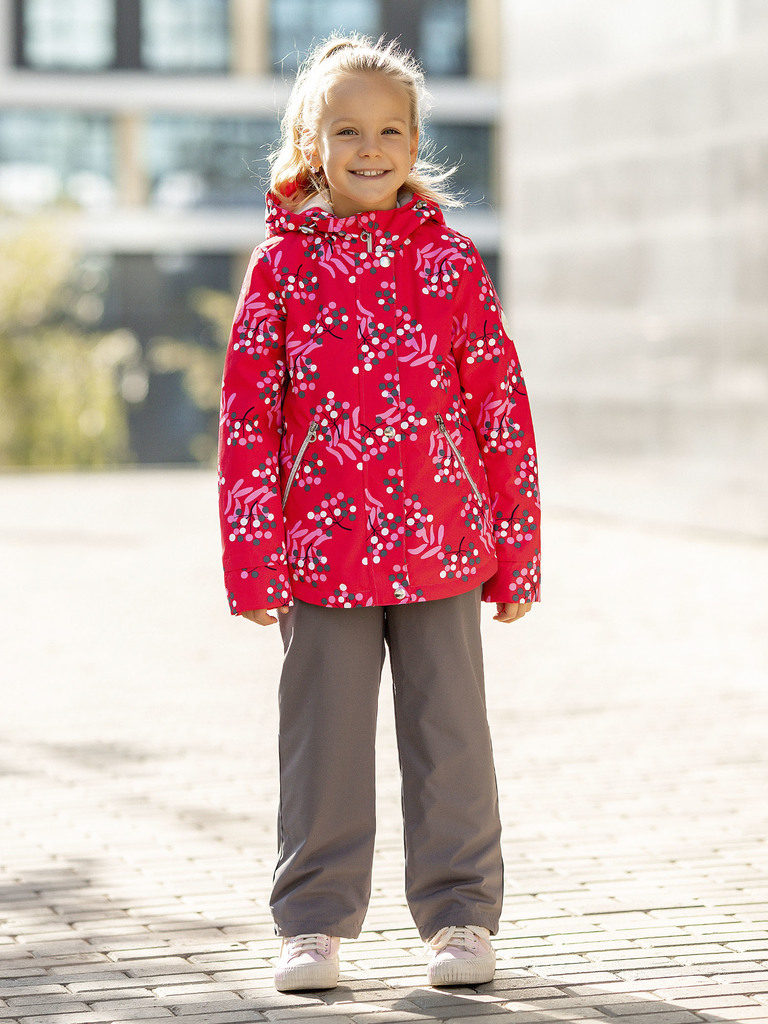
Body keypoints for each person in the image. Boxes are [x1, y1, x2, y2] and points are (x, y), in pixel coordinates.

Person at [217, 33, 541, 992]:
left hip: (444, 544)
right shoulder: (280, 268)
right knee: (322, 743)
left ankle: (461, 919)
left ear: (414, 142)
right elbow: (248, 421)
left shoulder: (451, 262)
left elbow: (499, 408)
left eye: (390, 130)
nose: (371, 148)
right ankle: (313, 925)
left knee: (451, 738)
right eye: (348, 131)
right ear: (311, 146)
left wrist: (518, 550)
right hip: (323, 549)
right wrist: (251, 559)